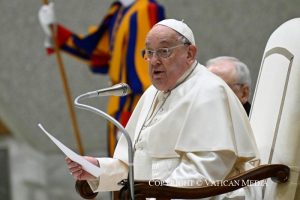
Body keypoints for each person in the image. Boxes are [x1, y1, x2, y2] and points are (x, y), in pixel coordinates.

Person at [66, 19, 260, 199]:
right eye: (149, 52)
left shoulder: (210, 91)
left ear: (190, 53)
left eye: (164, 51)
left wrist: (156, 196)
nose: (154, 60)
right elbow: (134, 164)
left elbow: (204, 171)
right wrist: (98, 169)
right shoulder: (151, 94)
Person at [38, 0, 165, 156]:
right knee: (116, 168)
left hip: (132, 107)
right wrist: (55, 31)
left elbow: (144, 72)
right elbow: (98, 54)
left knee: (129, 171)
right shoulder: (119, 11)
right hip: (118, 103)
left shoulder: (144, 9)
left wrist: (134, 119)